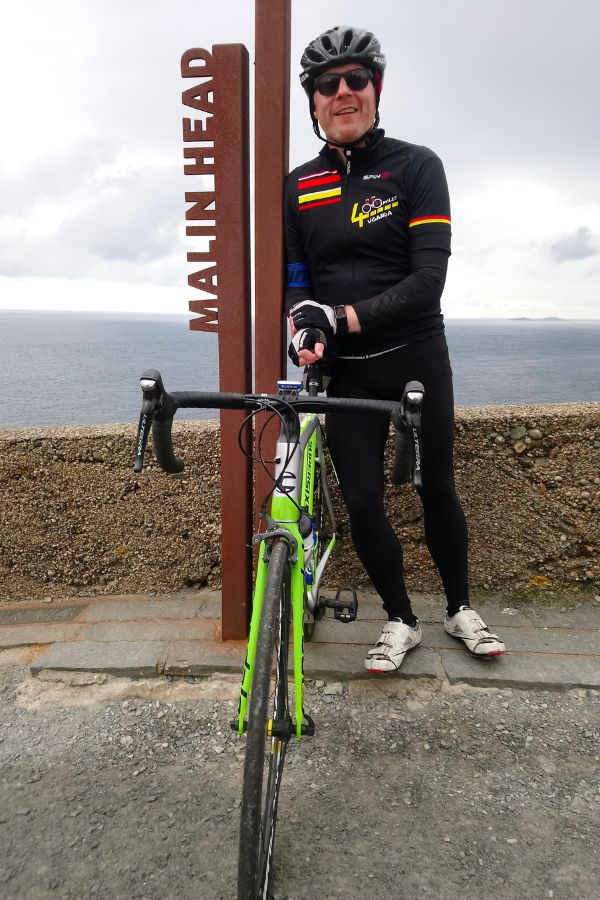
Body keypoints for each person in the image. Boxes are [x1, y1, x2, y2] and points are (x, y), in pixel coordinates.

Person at [285, 25, 506, 673]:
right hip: (346, 376)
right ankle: (401, 618)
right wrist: (306, 327)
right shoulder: (299, 186)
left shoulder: (415, 166)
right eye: (328, 85)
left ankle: (460, 607)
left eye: (356, 80)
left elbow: (427, 282)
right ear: (314, 102)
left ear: (376, 90)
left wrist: (341, 316)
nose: (343, 92)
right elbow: (298, 286)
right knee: (360, 500)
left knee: (436, 485)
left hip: (416, 356)